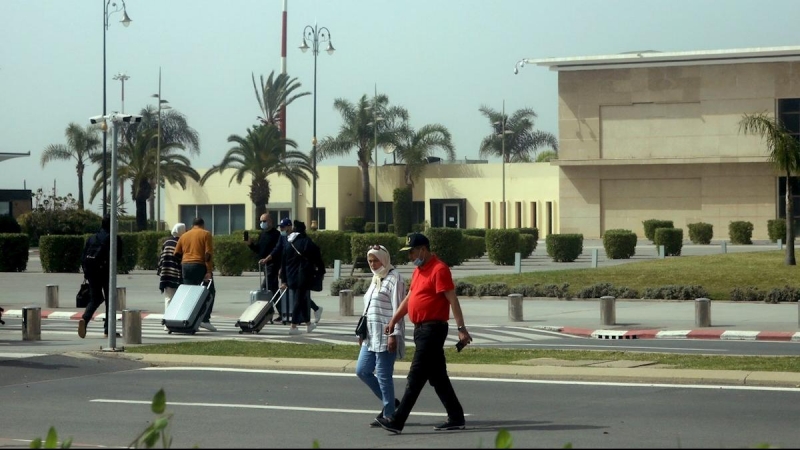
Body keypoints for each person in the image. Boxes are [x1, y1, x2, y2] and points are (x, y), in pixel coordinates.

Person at [376, 232, 473, 435]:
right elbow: (411, 298)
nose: (410, 257)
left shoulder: (439, 269)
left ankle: (397, 419)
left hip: (433, 329)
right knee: (438, 377)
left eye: (412, 252)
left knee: (415, 376)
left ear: (423, 249)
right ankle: (456, 417)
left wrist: (461, 329)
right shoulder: (419, 270)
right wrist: (394, 319)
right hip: (421, 330)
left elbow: (452, 300)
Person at [356, 244, 405, 427]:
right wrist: (362, 331)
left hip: (386, 334)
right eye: (370, 261)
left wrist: (394, 334)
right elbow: (368, 307)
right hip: (370, 335)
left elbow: (398, 308)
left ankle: (390, 414)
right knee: (362, 370)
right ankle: (390, 403)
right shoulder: (376, 277)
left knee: (384, 376)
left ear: (384, 259)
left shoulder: (395, 278)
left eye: (376, 260)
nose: (373, 264)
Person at [265, 217, 324, 324]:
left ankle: (296, 323)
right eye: (280, 227)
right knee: (300, 296)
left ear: (289, 227)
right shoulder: (283, 238)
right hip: (290, 270)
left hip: (299, 271)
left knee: (299, 296)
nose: (281, 229)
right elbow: (278, 250)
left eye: (283, 227)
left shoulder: (300, 239)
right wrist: (269, 260)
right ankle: (308, 318)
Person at [78, 215, 123, 339]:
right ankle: (109, 330)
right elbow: (118, 256)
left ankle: (85, 319)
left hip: (92, 273)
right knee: (110, 301)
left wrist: (87, 273)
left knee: (95, 298)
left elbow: (83, 257)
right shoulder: (113, 238)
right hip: (107, 273)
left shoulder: (92, 238)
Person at [279, 220, 325, 335]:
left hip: (291, 276)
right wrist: (320, 270)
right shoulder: (306, 242)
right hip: (303, 276)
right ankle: (293, 326)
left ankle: (309, 325)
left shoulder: (288, 242)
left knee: (303, 299)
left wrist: (284, 279)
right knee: (299, 300)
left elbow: (283, 263)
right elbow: (317, 256)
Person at [173, 217, 216, 332]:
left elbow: (176, 254)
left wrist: (183, 264)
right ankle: (205, 319)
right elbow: (208, 254)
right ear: (203, 224)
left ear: (192, 225)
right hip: (200, 265)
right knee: (209, 292)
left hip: (186, 266)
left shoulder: (184, 236)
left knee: (189, 294)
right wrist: (208, 271)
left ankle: (187, 319)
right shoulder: (206, 234)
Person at [158, 223, 186, 330]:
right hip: (177, 274)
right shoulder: (181, 242)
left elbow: (161, 258)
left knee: (168, 298)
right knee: (178, 299)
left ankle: (167, 323)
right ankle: (174, 321)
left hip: (166, 274)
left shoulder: (166, 242)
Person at [248, 213, 281, 295]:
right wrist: (250, 244)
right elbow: (259, 250)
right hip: (265, 265)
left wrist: (268, 259)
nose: (262, 223)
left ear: (270, 221)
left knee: (264, 287)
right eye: (261, 221)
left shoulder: (276, 234)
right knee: (273, 289)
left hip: (273, 265)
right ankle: (277, 307)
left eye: (264, 221)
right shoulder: (262, 234)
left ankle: (265, 305)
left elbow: (278, 250)